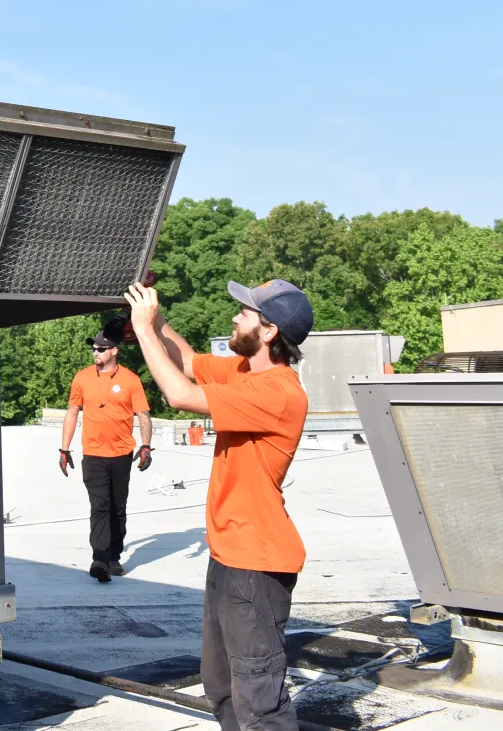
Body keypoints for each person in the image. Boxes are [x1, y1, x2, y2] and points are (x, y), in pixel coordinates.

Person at [123, 278, 313, 731]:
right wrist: (156, 314)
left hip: (257, 562)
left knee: (258, 698)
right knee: (221, 684)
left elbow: (180, 394)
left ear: (268, 332)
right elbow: (187, 363)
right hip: (231, 554)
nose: (235, 317)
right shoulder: (248, 373)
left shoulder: (279, 391)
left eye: (245, 313)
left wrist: (145, 330)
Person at [58, 316, 153, 583]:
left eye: (100, 348)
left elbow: (143, 414)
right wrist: (64, 450)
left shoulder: (131, 380)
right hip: (93, 453)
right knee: (99, 505)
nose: (95, 352)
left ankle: (114, 557)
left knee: (118, 508)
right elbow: (72, 411)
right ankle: (99, 558)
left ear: (114, 351)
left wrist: (145, 446)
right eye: (93, 348)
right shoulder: (82, 377)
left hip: (122, 453)